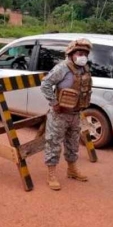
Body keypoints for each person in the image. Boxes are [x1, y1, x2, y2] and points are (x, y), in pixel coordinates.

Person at [40, 38, 92, 191]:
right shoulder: (62, 68)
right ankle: (51, 174)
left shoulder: (84, 69)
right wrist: (54, 102)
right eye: (79, 52)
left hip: (76, 113)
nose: (83, 55)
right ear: (71, 53)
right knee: (53, 143)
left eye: (85, 53)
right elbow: (45, 84)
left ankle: (72, 169)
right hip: (60, 115)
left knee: (73, 144)